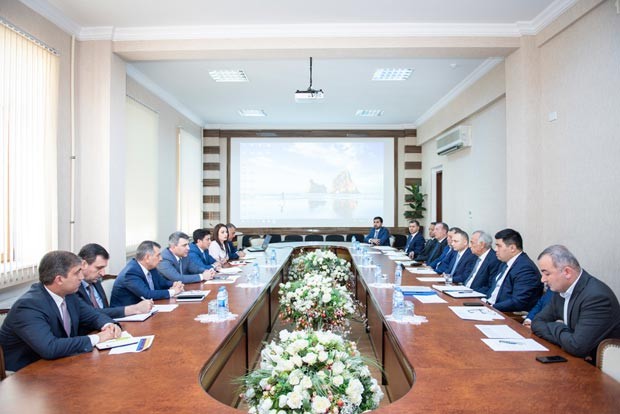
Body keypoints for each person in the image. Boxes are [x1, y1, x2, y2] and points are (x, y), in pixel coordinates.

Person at [0, 251, 121, 372]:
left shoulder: (69, 295)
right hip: (24, 373)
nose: (81, 277)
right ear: (59, 279)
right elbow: (50, 348)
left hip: (60, 363)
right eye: (77, 272)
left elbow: (94, 315)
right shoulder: (28, 307)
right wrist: (97, 338)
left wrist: (108, 325)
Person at [532, 245, 620, 361]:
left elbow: (577, 346)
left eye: (547, 274)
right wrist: (566, 337)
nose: (542, 279)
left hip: (596, 366)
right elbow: (537, 322)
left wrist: (556, 326)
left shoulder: (597, 298)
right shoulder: (561, 289)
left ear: (567, 272)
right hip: (572, 357)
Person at [76, 243, 153, 321]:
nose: (103, 273)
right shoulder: (74, 287)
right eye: (99, 268)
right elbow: (89, 313)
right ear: (83, 264)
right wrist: (135, 309)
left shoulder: (95, 281)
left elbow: (105, 310)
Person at [110, 241, 184, 307]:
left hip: (148, 308)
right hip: (127, 314)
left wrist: (175, 284)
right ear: (147, 258)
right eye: (158, 255)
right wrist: (173, 291)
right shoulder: (130, 272)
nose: (161, 258)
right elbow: (147, 295)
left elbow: (162, 283)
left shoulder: (151, 268)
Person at [485, 228, 543, 312]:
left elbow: (518, 302)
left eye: (499, 246)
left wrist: (491, 307)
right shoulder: (504, 263)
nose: (495, 249)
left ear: (512, 248)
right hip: (492, 307)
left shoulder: (525, 268)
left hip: (506, 313)